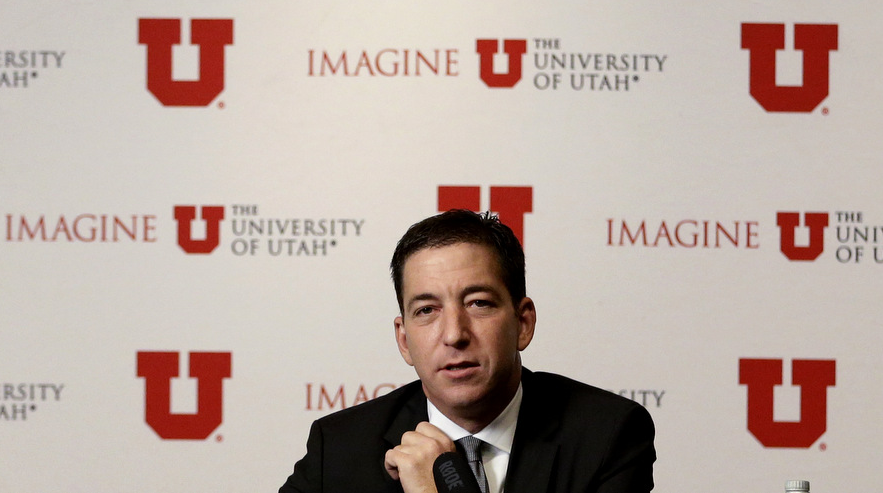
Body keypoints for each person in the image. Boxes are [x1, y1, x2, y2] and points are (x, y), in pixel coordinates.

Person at [280, 210, 655, 493]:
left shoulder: (607, 435)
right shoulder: (341, 448)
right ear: (405, 340)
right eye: (427, 311)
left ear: (523, 323)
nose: (455, 334)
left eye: (478, 303)